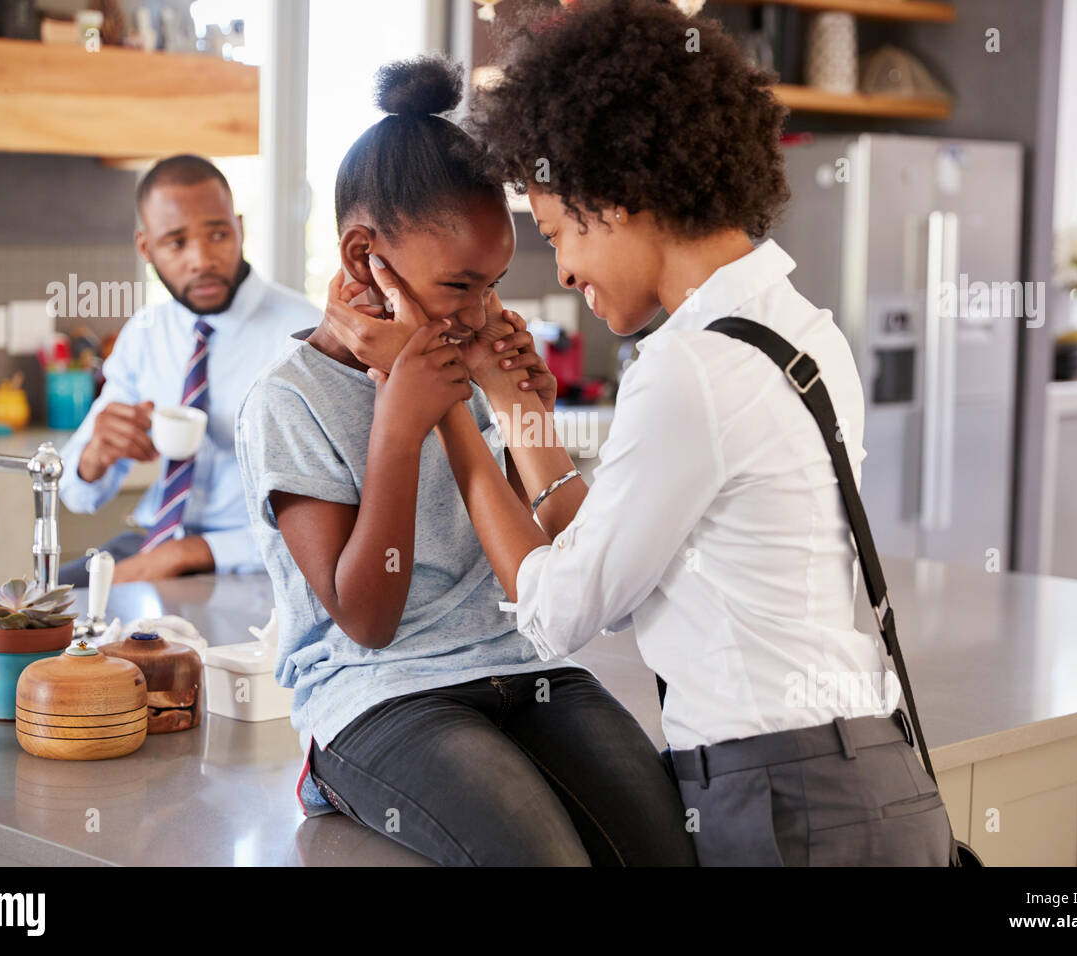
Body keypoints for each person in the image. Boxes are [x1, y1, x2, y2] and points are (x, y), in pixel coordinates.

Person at [332, 0, 954, 866]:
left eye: (555, 234)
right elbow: (619, 583)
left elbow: (559, 612)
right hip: (873, 783)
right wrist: (514, 411)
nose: (566, 272)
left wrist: (448, 419)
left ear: (612, 199)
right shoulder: (799, 329)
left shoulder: (689, 368)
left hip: (780, 802)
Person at [234, 57, 696, 867]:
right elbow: (368, 619)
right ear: (361, 258)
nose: (481, 312)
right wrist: (399, 426)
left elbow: (535, 557)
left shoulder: (459, 362)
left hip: (520, 667)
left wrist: (523, 416)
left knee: (669, 846)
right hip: (380, 698)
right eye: (459, 285)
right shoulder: (289, 400)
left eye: (493, 284)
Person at [57, 155, 319, 587]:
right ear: (146, 248)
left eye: (217, 234)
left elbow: (338, 512)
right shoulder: (145, 334)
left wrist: (189, 553)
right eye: (177, 243)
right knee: (34, 614)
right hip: (151, 543)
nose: (201, 260)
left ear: (238, 228)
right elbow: (78, 495)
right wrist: (93, 458)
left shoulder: (305, 337)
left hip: (257, 560)